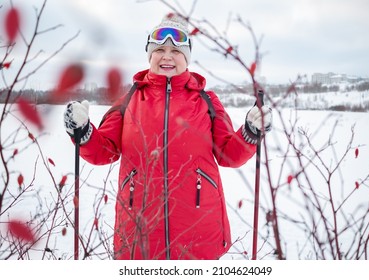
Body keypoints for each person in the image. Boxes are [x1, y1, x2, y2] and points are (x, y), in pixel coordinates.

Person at [63, 13, 272, 260]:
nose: (167, 56)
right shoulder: (129, 100)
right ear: (150, 56)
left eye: (176, 51)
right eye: (160, 50)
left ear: (187, 58)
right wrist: (83, 131)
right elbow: (103, 151)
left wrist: (249, 132)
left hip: (199, 229)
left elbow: (230, 155)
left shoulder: (207, 101)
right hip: (139, 229)